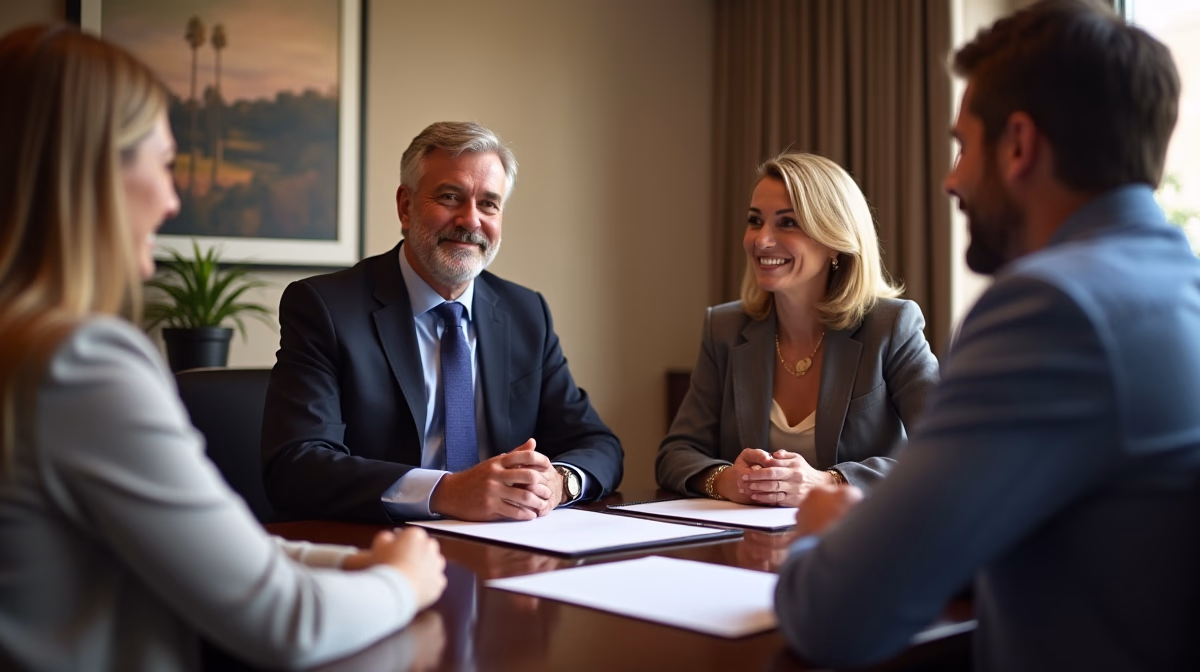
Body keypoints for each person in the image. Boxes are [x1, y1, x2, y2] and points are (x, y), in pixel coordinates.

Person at [0, 24, 446, 672]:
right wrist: (403, 581)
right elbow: (286, 624)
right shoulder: (80, 363)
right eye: (162, 163)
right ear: (92, 174)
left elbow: (216, 549)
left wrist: (352, 562)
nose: (173, 198)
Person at [774, 1, 1200, 670]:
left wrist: (824, 539)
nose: (950, 180)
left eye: (963, 145)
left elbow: (838, 618)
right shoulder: (1176, 288)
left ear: (1020, 145)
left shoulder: (1053, 308)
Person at [261, 121, 623, 523]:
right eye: (450, 197)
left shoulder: (525, 313)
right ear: (405, 205)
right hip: (379, 548)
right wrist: (445, 492)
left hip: (507, 545)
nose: (470, 220)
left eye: (489, 204)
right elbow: (297, 465)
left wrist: (559, 481)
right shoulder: (326, 308)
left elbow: (598, 443)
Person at [656, 152, 938, 505]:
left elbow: (945, 448)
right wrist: (726, 479)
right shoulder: (724, 329)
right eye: (755, 221)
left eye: (787, 223)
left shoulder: (891, 326)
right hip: (749, 545)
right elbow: (675, 453)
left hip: (863, 543)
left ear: (834, 239)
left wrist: (830, 481)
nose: (761, 240)